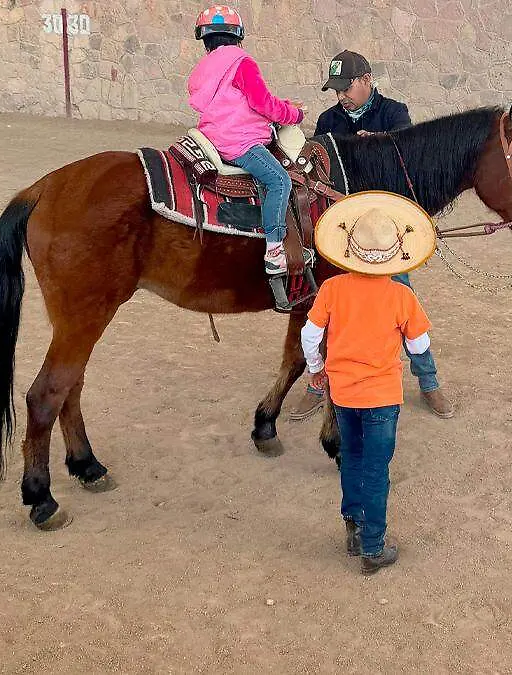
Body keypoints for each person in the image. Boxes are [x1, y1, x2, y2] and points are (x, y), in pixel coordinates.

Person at [291, 50, 454, 421]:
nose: (340, 97)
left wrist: (380, 143)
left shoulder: (395, 114)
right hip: (340, 229)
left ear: (366, 79)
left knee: (401, 296)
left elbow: (410, 161)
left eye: (346, 88)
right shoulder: (328, 121)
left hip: (383, 232)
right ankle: (319, 381)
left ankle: (428, 381)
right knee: (326, 303)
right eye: (335, 90)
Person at [301, 191, 438, 574]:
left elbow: (311, 336)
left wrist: (317, 367)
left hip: (343, 394)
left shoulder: (331, 289)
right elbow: (419, 343)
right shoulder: (402, 295)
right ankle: (373, 548)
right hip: (382, 397)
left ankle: (353, 528)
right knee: (377, 470)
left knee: (353, 460)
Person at [186, 5, 306, 274]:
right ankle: (275, 250)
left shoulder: (203, 69)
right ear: (238, 36)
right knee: (279, 179)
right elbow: (262, 103)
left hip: (214, 137)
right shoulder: (241, 62)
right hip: (239, 142)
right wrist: (294, 114)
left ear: (205, 41)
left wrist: (282, 104)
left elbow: (234, 103)